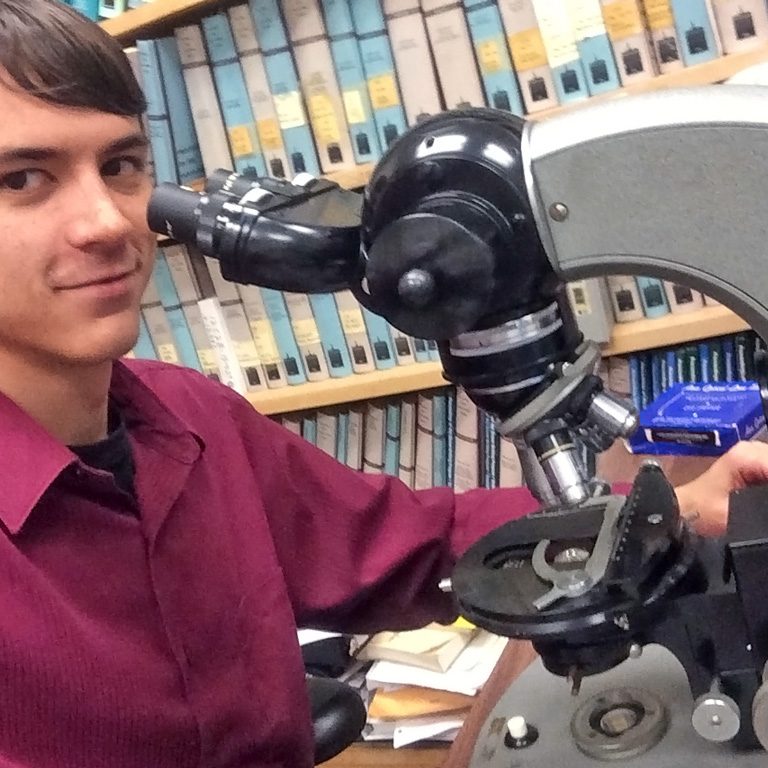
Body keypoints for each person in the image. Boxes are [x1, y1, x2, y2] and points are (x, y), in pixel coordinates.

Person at [0, 2, 766, 766]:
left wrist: (673, 513)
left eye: (120, 166)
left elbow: (406, 545)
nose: (105, 221)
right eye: (24, 179)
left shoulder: (193, 416)